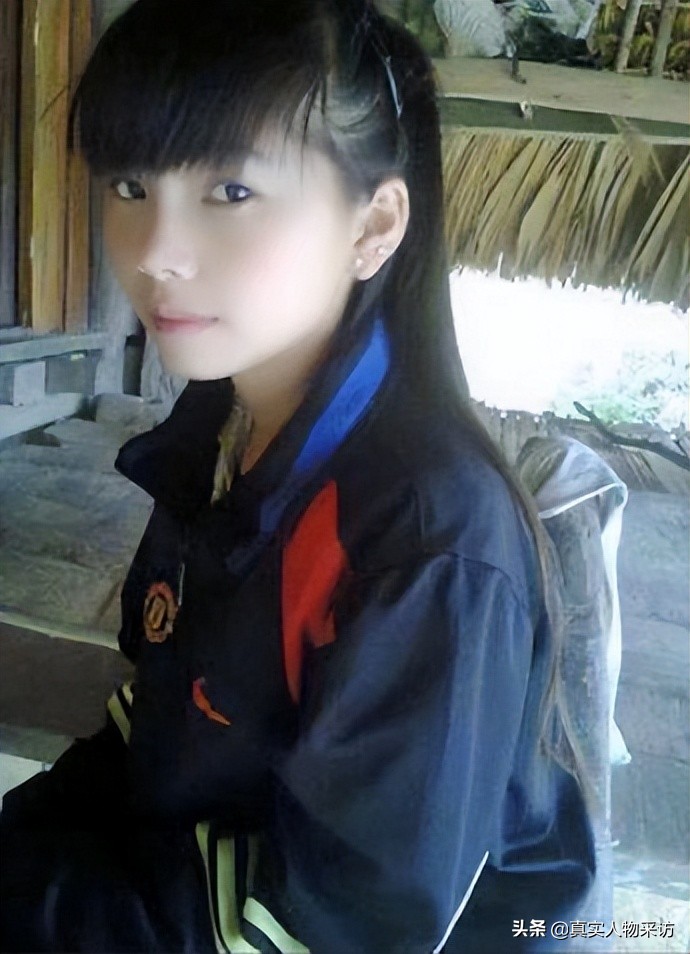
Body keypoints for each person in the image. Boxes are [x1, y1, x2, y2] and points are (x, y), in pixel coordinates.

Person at [0, 1, 597, 951]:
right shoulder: (217, 434)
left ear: (373, 226)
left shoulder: (425, 539)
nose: (154, 252)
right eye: (130, 185)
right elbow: (157, 714)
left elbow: (345, 924)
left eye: (231, 191)